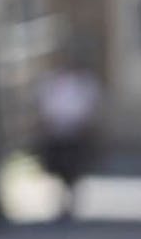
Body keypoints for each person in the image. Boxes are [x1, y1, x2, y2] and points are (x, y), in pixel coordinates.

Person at [34, 57, 101, 219]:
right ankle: (61, 199)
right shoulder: (50, 83)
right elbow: (43, 105)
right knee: (58, 168)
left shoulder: (81, 83)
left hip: (74, 131)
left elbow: (88, 105)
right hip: (56, 131)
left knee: (72, 168)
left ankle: (70, 198)